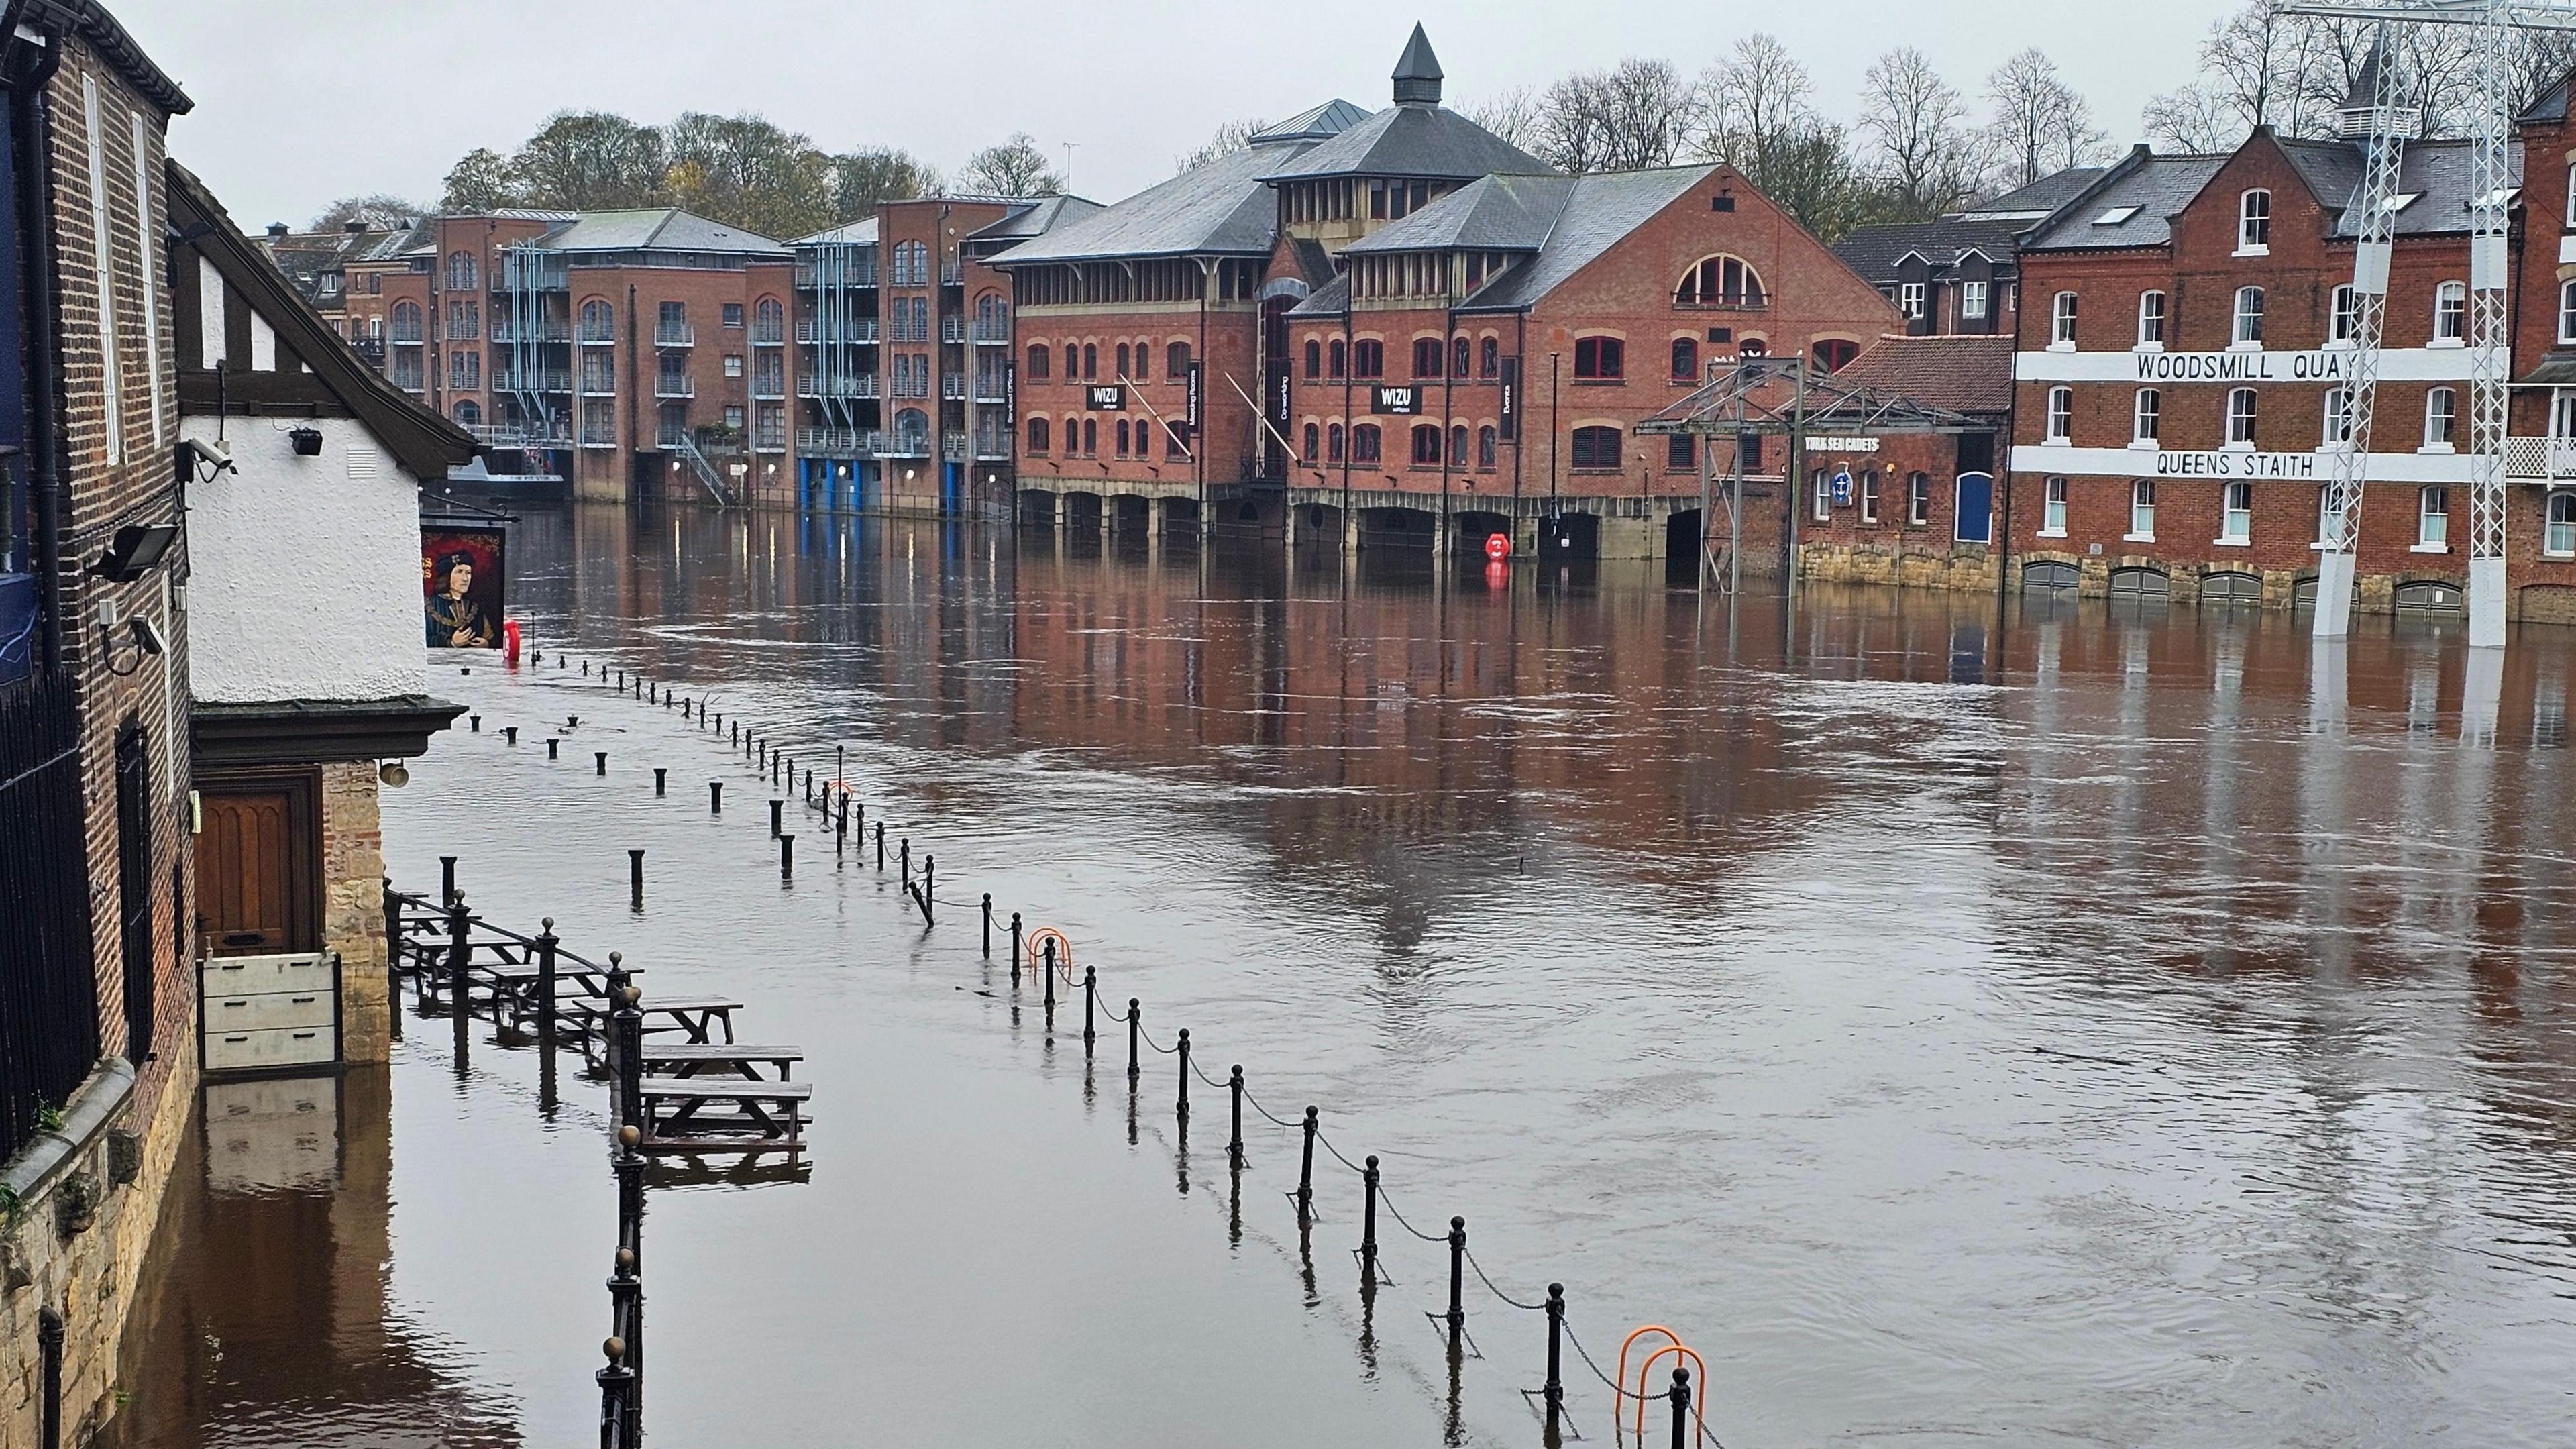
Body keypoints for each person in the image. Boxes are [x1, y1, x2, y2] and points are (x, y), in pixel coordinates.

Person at [426, 551, 494, 648]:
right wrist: (451, 643)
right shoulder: (430, 606)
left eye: (468, 573)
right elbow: (419, 640)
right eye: (459, 572)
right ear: (448, 576)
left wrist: (486, 643)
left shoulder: (475, 608)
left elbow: (491, 638)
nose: (465, 579)